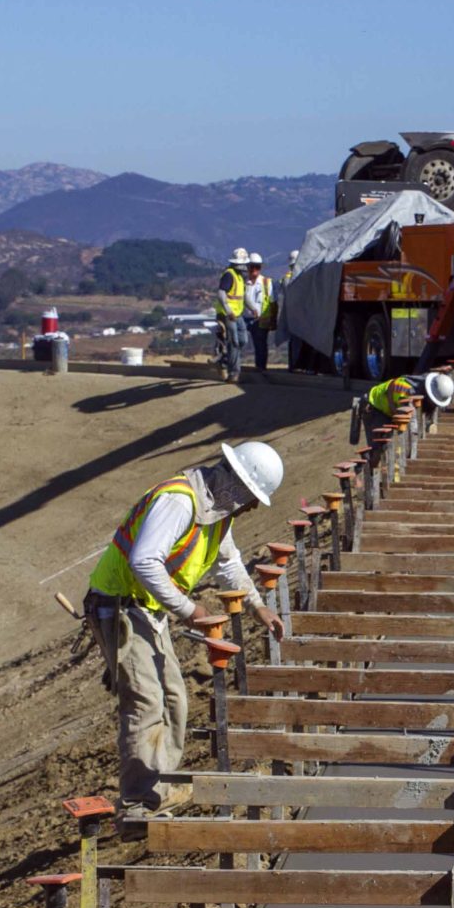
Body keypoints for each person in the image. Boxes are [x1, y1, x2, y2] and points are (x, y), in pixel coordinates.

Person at [84, 440, 286, 825]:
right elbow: (144, 561)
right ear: (236, 484)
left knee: (174, 699)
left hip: (147, 610)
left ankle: (157, 787)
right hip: (120, 606)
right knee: (145, 701)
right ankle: (138, 806)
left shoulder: (216, 511)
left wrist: (258, 605)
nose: (252, 507)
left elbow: (229, 563)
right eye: (251, 497)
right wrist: (189, 609)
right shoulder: (179, 502)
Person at [350, 369, 454, 445]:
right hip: (373, 406)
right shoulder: (407, 392)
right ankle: (362, 473)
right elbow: (393, 386)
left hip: (387, 410)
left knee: (386, 447)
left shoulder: (430, 384)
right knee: (378, 449)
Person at [215, 251, 249, 373]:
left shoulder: (239, 277)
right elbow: (221, 293)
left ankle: (224, 358)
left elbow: (243, 296)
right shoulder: (229, 275)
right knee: (234, 341)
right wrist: (228, 310)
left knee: (243, 340)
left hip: (237, 314)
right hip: (228, 314)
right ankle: (234, 372)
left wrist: (253, 308)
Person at [243, 253, 276, 373]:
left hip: (261, 319)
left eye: (257, 267)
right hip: (245, 318)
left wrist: (273, 320)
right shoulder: (243, 283)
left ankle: (261, 368)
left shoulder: (267, 283)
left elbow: (273, 302)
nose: (254, 270)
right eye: (252, 266)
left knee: (260, 345)